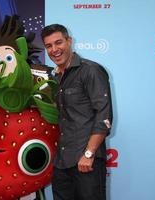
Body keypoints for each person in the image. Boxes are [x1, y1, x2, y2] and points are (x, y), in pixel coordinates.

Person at [41, 24, 113, 200]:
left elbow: (103, 116)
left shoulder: (90, 70)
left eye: (58, 43)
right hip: (61, 163)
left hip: (86, 161)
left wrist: (88, 154)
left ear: (69, 41)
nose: (54, 50)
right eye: (49, 46)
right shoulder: (53, 79)